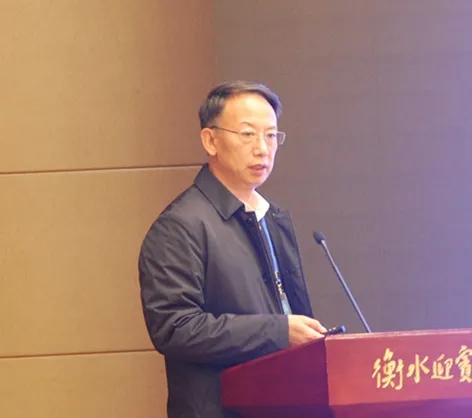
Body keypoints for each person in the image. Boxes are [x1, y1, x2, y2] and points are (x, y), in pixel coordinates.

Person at [138, 80, 327, 418]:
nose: (262, 148)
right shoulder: (180, 226)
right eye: (247, 134)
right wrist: (278, 331)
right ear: (210, 140)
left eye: (271, 135)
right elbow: (175, 327)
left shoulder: (271, 217)